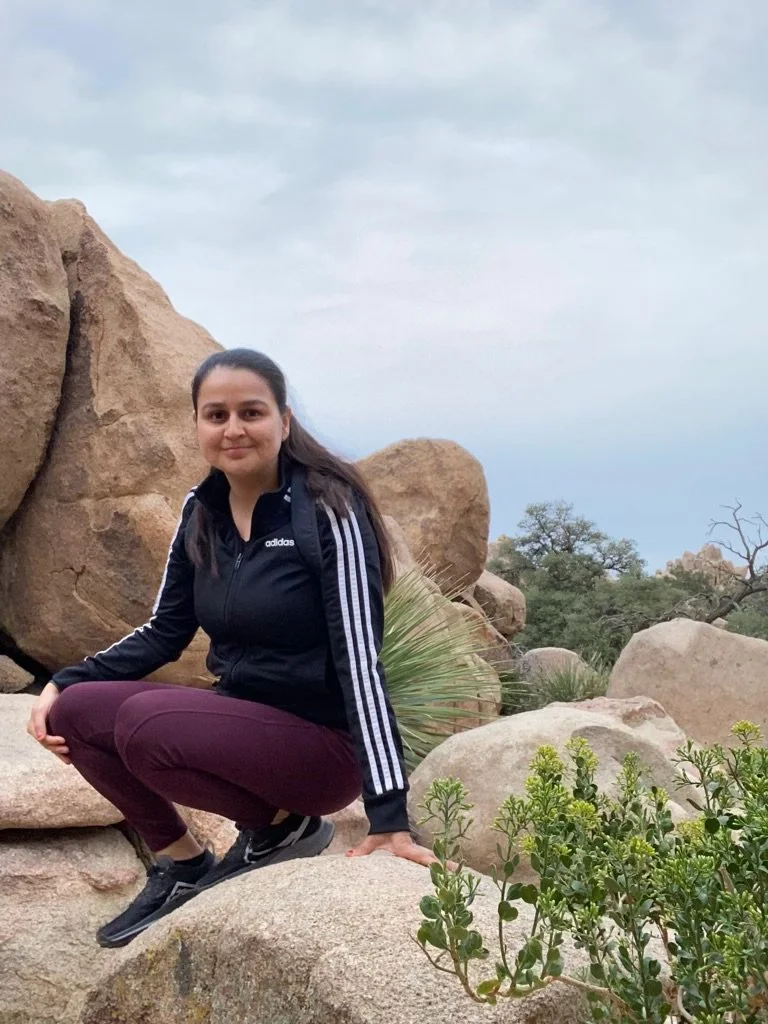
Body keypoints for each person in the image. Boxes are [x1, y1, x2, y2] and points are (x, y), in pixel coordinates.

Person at [26, 348, 438, 949]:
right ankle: (182, 864)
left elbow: (359, 657)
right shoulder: (202, 511)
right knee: (75, 713)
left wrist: (390, 819)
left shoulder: (328, 508)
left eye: (252, 412)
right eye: (215, 415)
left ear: (284, 422)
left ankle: (279, 826)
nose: (234, 429)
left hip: (322, 750)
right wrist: (65, 680)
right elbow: (164, 630)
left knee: (145, 723)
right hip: (249, 725)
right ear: (197, 425)